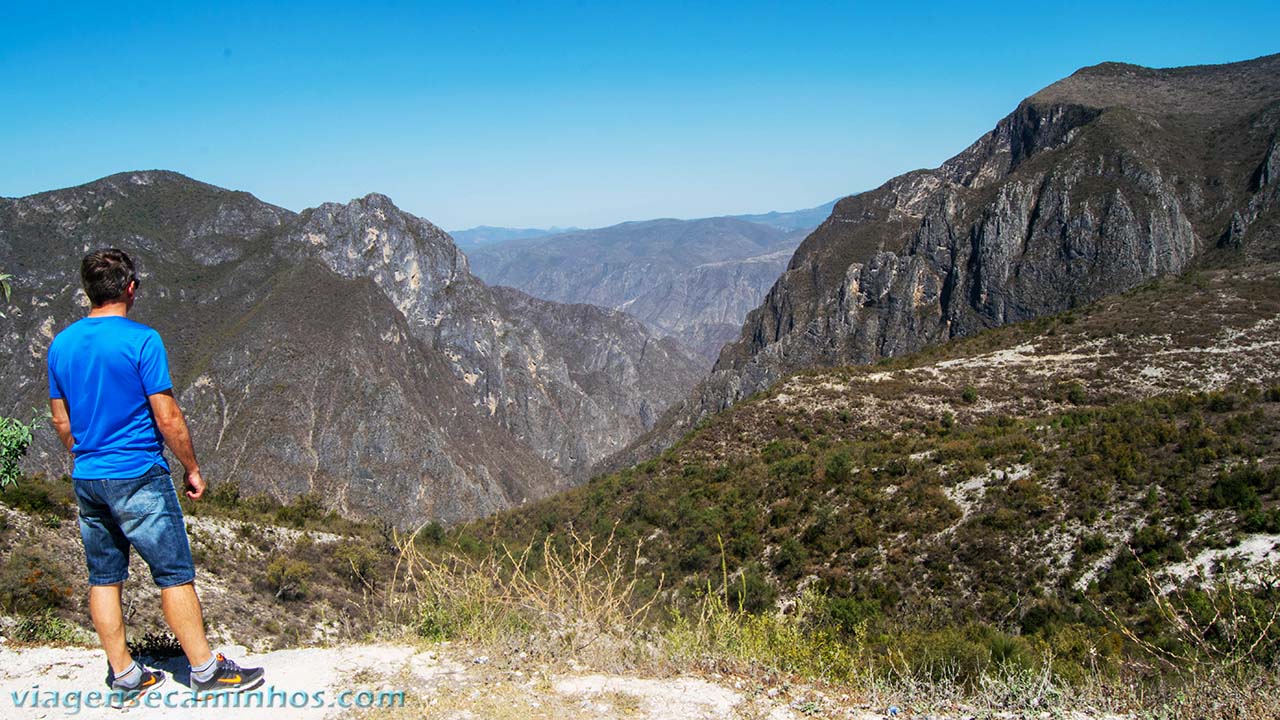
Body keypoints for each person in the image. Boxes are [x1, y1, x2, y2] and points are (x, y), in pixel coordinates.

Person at [47, 248, 264, 706]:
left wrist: (86, 457)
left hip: (88, 476)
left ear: (89, 291)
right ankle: (205, 672)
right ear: (130, 289)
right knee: (173, 574)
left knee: (104, 577)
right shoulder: (142, 340)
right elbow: (167, 416)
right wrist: (192, 467)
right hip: (138, 472)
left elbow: (61, 421)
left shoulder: (60, 345)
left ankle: (124, 675)